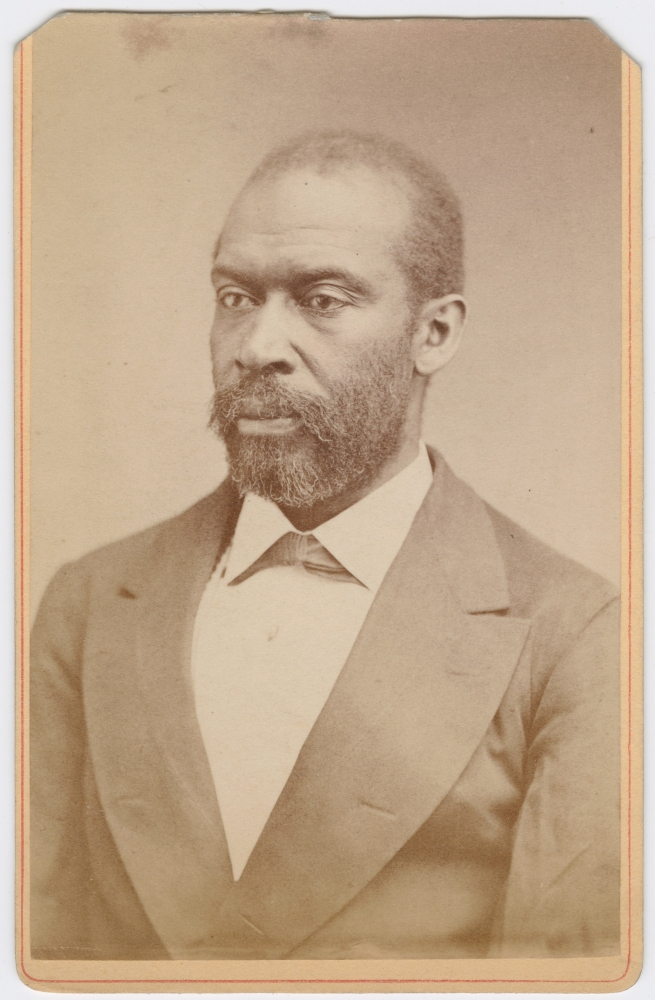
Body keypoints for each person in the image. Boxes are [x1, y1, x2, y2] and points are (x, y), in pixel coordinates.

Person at [30, 130, 620, 961]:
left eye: (323, 300)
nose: (257, 347)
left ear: (434, 334)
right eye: (235, 297)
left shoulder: (572, 631)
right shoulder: (90, 601)